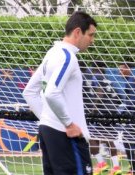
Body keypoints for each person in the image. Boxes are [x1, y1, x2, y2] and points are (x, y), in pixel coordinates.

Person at [23, 11, 97, 175]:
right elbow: (51, 93)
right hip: (66, 136)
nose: (92, 40)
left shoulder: (52, 53)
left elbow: (29, 92)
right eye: (91, 35)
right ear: (78, 32)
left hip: (49, 131)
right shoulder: (67, 57)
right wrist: (67, 124)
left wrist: (48, 119)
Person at [82, 60, 122, 175]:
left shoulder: (97, 78)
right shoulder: (109, 80)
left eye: (93, 69)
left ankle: (103, 164)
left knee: (91, 139)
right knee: (107, 140)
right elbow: (119, 98)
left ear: (97, 69)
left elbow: (99, 94)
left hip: (102, 113)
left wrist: (93, 110)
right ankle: (114, 166)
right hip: (111, 112)